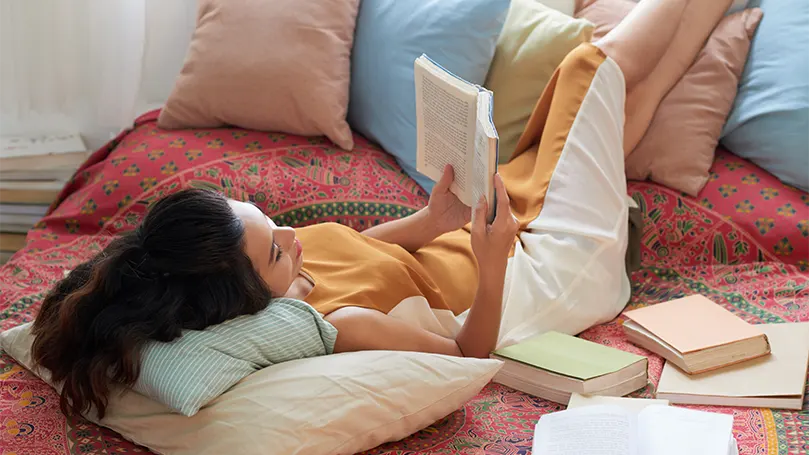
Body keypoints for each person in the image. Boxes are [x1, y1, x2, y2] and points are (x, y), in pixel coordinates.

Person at [31, 0, 735, 419]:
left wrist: (428, 220)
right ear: (244, 294)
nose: (288, 235)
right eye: (277, 247)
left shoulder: (265, 264)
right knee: (587, 72)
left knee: (590, 113)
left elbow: (356, 250)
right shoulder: (344, 325)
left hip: (474, 238)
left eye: (265, 219)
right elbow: (468, 354)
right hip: (536, 270)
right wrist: (490, 265)